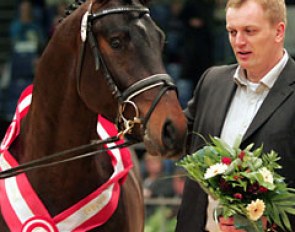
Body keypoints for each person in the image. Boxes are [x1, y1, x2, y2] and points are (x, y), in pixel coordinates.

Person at [175, 0, 295, 231]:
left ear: (279, 31)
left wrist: (269, 221)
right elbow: (174, 137)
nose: (239, 42)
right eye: (232, 31)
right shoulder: (212, 80)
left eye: (250, 31)